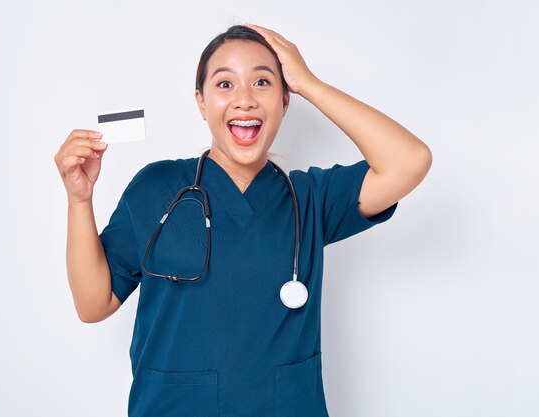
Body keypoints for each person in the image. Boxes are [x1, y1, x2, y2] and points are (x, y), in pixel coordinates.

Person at [54, 23, 432, 417]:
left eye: (263, 82)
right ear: (200, 102)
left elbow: (409, 161)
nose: (245, 100)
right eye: (224, 84)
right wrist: (79, 199)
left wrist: (309, 83)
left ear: (285, 100)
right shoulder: (156, 187)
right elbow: (93, 304)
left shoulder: (310, 199)